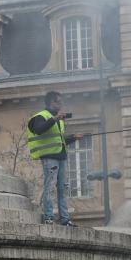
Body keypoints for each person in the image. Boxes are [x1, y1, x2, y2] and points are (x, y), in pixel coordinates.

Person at [27, 91, 84, 226]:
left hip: (61, 156)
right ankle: (49, 217)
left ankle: (65, 218)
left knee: (63, 188)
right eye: (59, 101)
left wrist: (73, 137)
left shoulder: (58, 119)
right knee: (50, 187)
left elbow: (58, 140)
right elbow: (39, 129)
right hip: (50, 157)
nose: (62, 104)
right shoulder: (41, 116)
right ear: (52, 102)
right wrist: (55, 119)